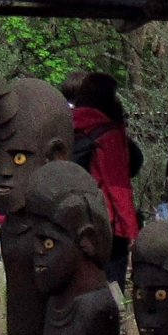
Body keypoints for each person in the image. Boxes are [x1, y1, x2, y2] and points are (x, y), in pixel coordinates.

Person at [64, 71, 141, 284]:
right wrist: (131, 232)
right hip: (104, 222)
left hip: (69, 218)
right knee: (110, 286)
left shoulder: (64, 127)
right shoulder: (109, 134)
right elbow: (117, 187)